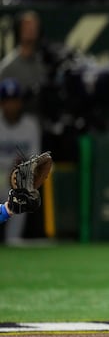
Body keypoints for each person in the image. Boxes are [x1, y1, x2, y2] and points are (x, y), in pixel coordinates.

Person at [0, 78, 42, 245]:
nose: (11, 105)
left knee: (22, 190)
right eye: (7, 101)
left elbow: (36, 157)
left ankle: (13, 239)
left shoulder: (30, 125)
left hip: (17, 177)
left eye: (14, 100)